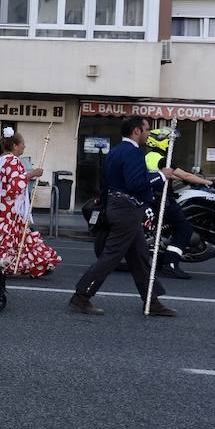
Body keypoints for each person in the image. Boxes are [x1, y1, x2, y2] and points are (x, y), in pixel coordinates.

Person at [70, 116, 177, 317]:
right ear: (136, 131)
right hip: (126, 209)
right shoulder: (134, 152)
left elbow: (106, 183)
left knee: (140, 257)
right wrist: (161, 176)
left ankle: (151, 300)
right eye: (146, 130)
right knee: (111, 256)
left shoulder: (116, 151)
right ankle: (81, 296)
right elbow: (136, 183)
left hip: (119, 206)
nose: (148, 134)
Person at [0, 128, 61, 277]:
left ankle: (4, 262)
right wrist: (33, 174)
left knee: (10, 235)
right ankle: (11, 264)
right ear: (15, 145)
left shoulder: (1, 160)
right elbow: (16, 184)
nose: (24, 146)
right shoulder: (12, 161)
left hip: (4, 207)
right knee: (12, 236)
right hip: (11, 208)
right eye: (22, 144)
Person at [143, 127, 213, 280]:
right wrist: (208, 182)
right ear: (161, 141)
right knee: (185, 229)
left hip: (152, 198)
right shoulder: (162, 158)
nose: (171, 144)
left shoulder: (149, 156)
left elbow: (169, 175)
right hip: (162, 200)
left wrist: (187, 179)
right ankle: (171, 263)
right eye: (170, 141)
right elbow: (184, 174)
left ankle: (161, 261)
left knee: (173, 228)